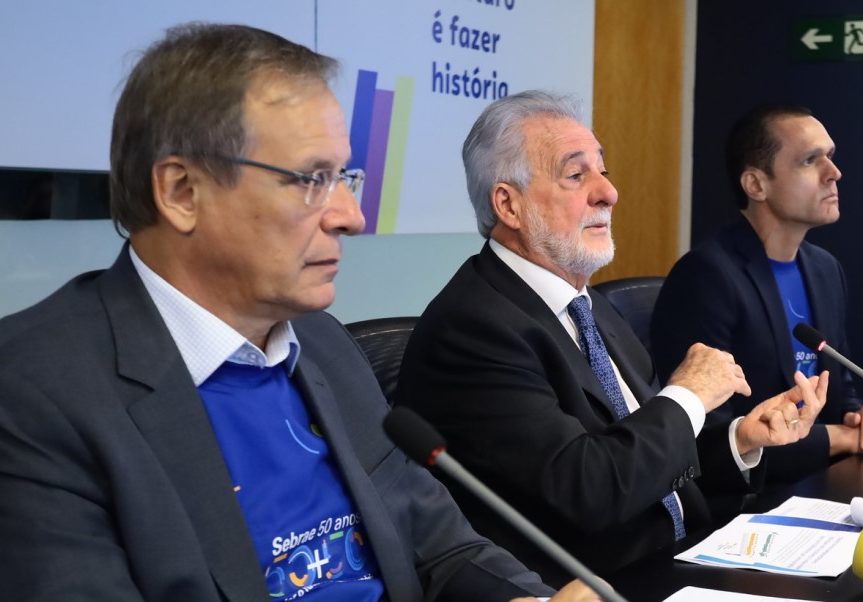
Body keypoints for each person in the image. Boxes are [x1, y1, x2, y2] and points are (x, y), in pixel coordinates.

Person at [0, 23, 594, 601]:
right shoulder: (35, 394)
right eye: (311, 179)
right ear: (181, 192)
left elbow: (442, 549)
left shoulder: (324, 344)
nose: (351, 217)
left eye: (344, 178)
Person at [396, 90, 830, 585]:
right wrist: (687, 397)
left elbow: (643, 457)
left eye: (603, 171)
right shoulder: (473, 328)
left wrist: (741, 439)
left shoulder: (589, 306)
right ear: (508, 205)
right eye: (576, 175)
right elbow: (588, 489)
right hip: (593, 585)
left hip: (679, 559)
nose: (608, 193)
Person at [651, 104, 863, 484]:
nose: (834, 173)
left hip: (819, 483)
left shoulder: (825, 269)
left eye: (830, 156)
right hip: (744, 498)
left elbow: (838, 390)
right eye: (811, 161)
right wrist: (844, 437)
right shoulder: (707, 276)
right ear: (756, 185)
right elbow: (708, 437)